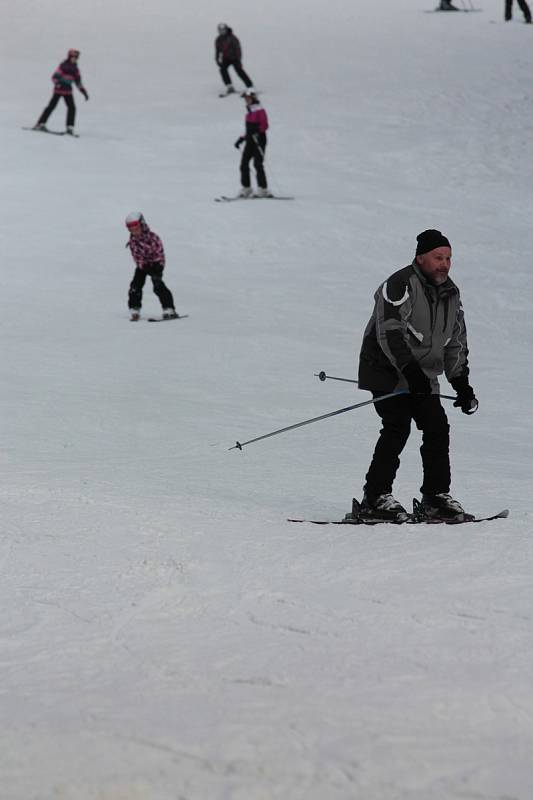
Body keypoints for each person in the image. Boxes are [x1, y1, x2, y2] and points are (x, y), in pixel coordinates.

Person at [357, 229, 478, 521]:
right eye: (438, 257)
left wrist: (461, 383)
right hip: (386, 370)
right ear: (420, 257)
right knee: (397, 425)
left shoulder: (451, 293)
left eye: (448, 258)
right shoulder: (399, 285)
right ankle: (375, 497)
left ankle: (436, 496)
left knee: (437, 426)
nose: (444, 264)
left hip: (422, 377)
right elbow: (390, 333)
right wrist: (411, 373)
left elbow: (454, 342)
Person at [125, 213, 177, 321]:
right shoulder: (133, 242)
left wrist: (158, 267)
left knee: (158, 285)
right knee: (136, 285)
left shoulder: (153, 238)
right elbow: (136, 256)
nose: (135, 231)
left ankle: (169, 308)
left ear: (142, 225)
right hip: (143, 266)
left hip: (156, 264)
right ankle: (134, 308)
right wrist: (143, 266)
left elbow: (159, 252)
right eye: (131, 229)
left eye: (136, 228)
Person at [33, 49, 89, 135]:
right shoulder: (63, 66)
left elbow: (78, 82)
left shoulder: (75, 69)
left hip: (68, 92)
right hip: (59, 90)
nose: (74, 59)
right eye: (73, 57)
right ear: (69, 57)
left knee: (72, 108)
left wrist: (83, 92)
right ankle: (40, 124)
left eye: (76, 58)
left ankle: (70, 127)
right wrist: (58, 84)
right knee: (51, 106)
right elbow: (54, 77)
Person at [234, 90, 272, 198]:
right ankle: (246, 188)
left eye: (248, 98)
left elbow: (265, 125)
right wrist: (241, 139)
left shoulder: (260, 110)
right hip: (250, 140)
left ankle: (263, 189)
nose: (246, 100)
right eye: (245, 99)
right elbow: (248, 129)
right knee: (244, 163)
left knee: (257, 163)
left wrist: (257, 129)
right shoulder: (249, 112)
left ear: (254, 98)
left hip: (259, 139)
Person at [215, 23, 255, 96]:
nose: (222, 32)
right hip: (226, 58)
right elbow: (217, 50)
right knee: (223, 69)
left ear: (226, 30)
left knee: (239, 70)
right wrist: (217, 59)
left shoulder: (233, 38)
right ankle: (229, 86)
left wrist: (238, 60)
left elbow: (238, 49)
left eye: (223, 30)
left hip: (235, 58)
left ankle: (250, 86)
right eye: (220, 31)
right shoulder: (218, 39)